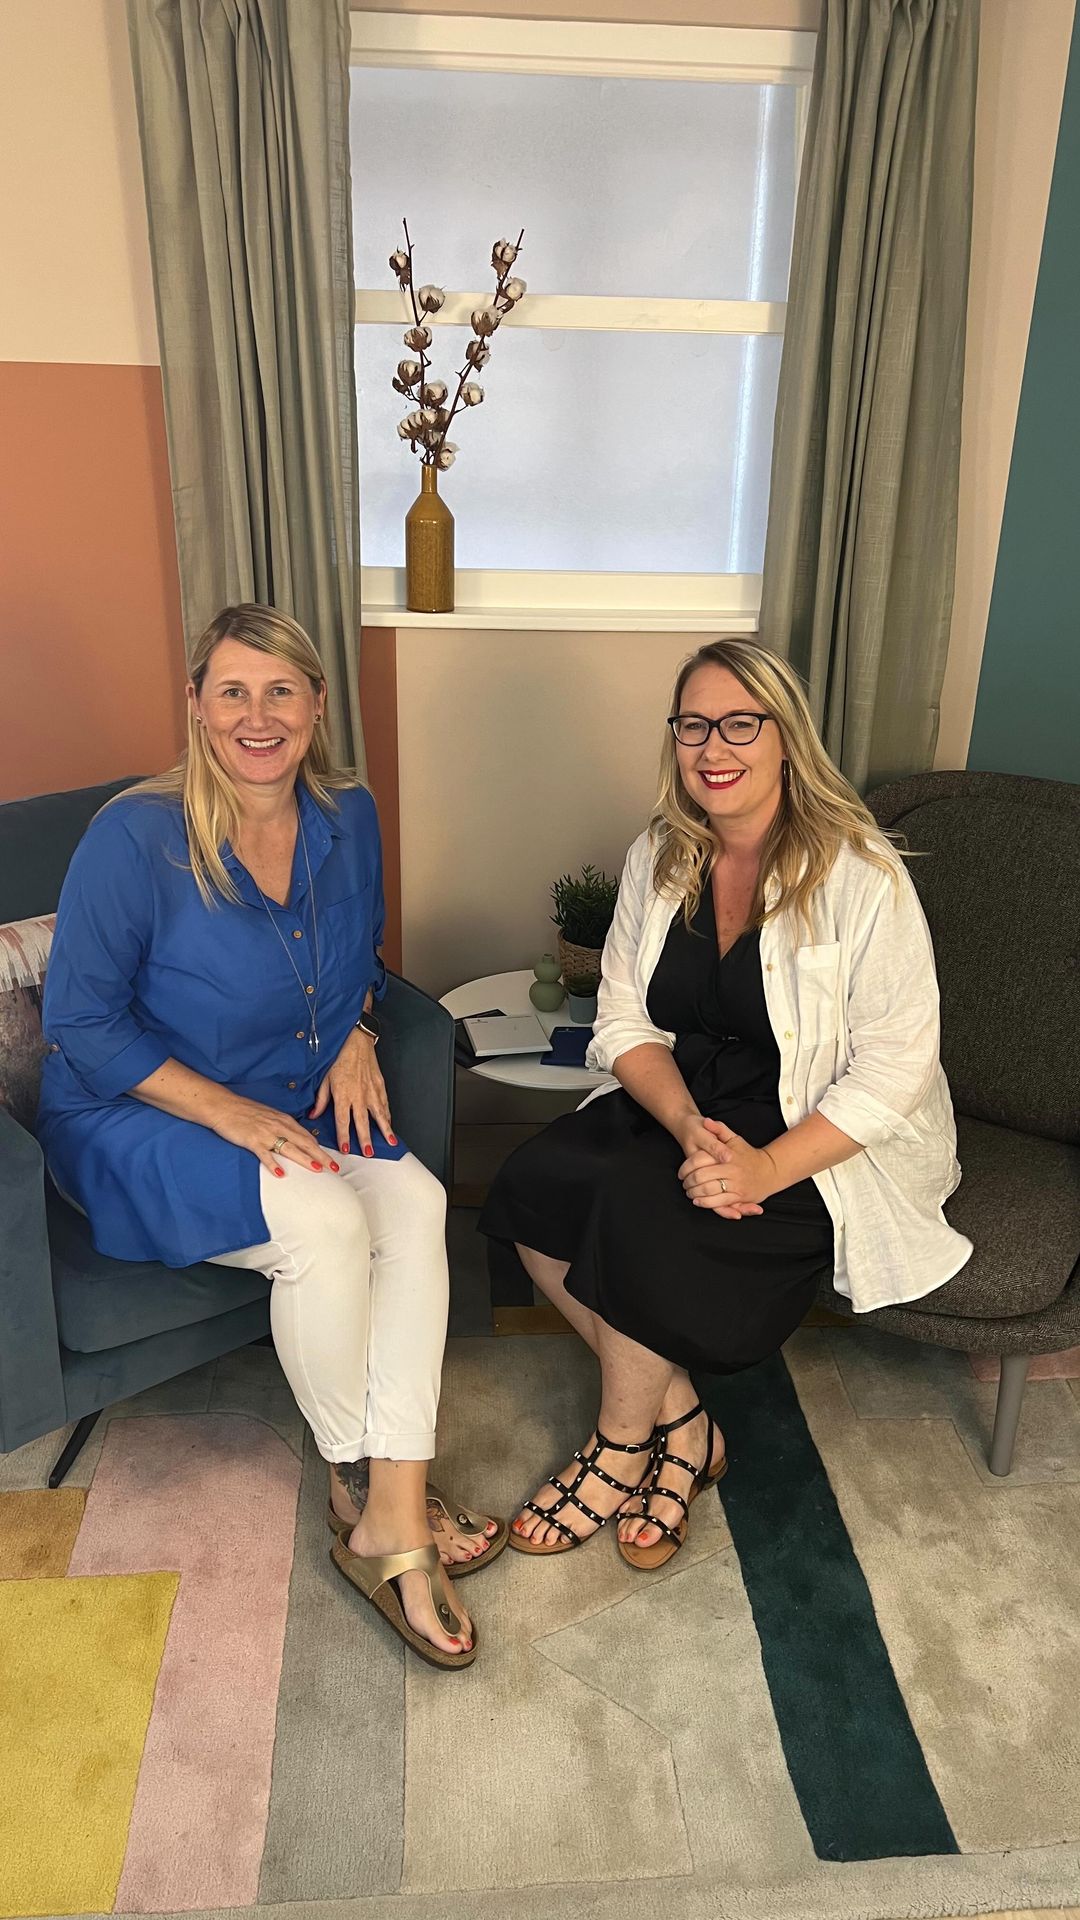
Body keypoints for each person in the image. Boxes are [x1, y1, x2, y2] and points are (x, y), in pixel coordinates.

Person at [38, 604, 505, 1670]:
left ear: (317, 705)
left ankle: (391, 1505)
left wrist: (359, 1030)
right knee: (325, 1222)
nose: (259, 717)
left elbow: (360, 949)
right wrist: (226, 1112)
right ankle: (367, 1488)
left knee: (418, 1203)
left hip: (284, 1088)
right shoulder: (134, 837)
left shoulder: (350, 813)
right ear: (197, 706)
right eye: (234, 692)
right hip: (138, 1109)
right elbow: (81, 1023)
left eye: (281, 691)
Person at [480, 637, 972, 1568]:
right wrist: (682, 1126)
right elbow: (623, 1018)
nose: (715, 747)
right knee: (535, 1189)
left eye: (742, 724)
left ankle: (621, 1445)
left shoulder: (860, 873)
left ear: (786, 737)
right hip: (688, 1099)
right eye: (694, 725)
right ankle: (685, 1422)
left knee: (639, 1224)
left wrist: (764, 1167)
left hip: (814, 1131)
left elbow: (898, 1063)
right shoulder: (660, 855)